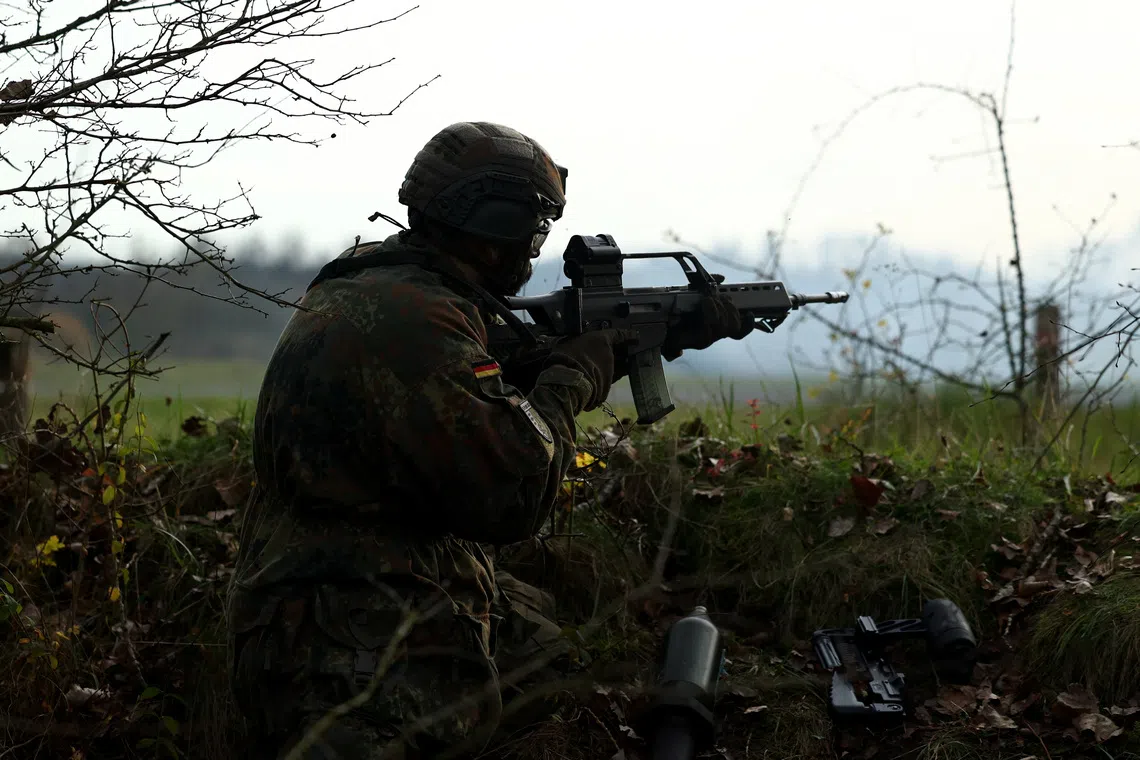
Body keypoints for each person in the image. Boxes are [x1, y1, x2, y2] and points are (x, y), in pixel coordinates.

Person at [226, 122, 755, 760]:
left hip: (335, 597)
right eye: (533, 231)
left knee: (555, 664)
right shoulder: (418, 319)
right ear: (493, 224)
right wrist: (573, 378)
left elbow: (465, 397)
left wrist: (659, 334)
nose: (534, 254)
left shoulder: (382, 286)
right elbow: (513, 493)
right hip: (346, 650)